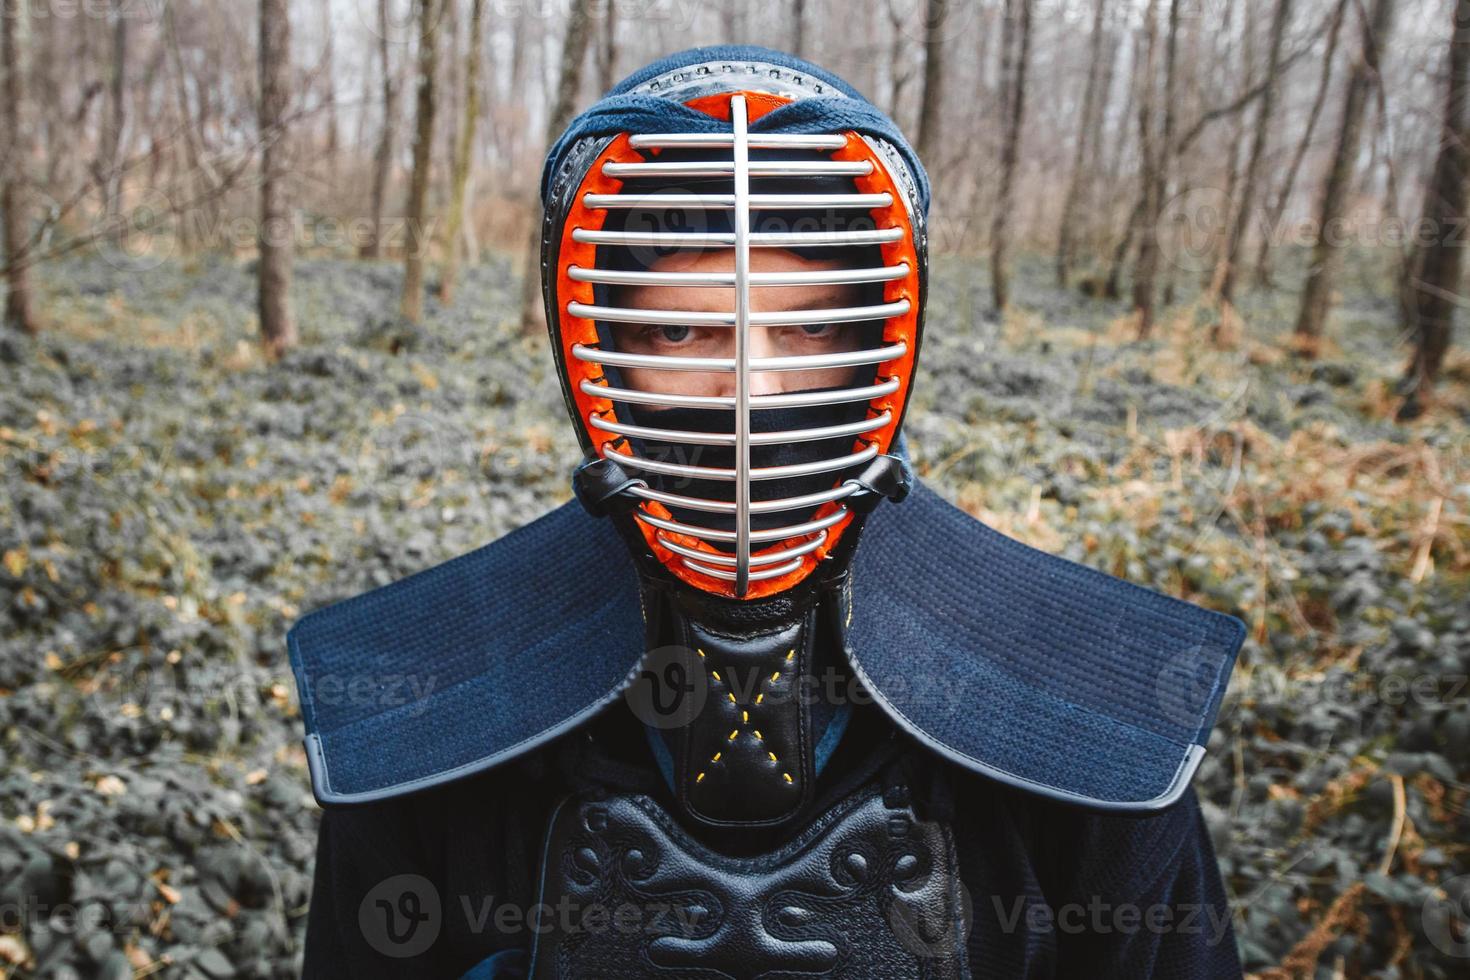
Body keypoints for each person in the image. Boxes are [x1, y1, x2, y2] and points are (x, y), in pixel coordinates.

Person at [289, 45, 1247, 979]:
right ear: (594, 346)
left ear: (887, 340)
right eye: (678, 326)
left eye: (813, 324)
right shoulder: (422, 710)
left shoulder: (1089, 715)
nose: (750, 387)